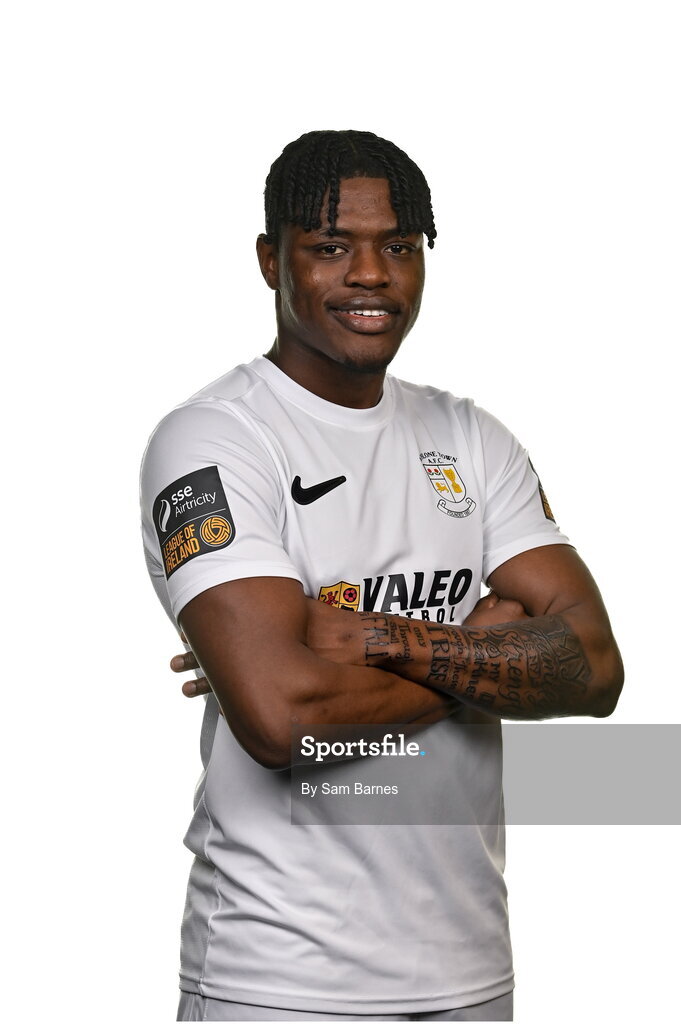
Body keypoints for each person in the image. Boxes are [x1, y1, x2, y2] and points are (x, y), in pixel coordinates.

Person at [140, 130, 623, 1022]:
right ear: (270, 260)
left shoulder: (471, 438)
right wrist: (478, 652)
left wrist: (378, 641)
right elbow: (282, 720)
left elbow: (593, 667)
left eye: (397, 246)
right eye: (331, 247)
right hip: (279, 976)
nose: (370, 274)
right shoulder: (213, 440)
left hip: (470, 968)